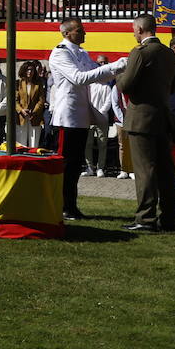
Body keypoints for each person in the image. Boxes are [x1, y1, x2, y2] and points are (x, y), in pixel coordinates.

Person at [47, 18, 125, 222]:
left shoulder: (81, 53)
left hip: (81, 115)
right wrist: (115, 65)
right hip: (68, 116)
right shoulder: (60, 52)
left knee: (74, 165)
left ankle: (70, 205)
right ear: (66, 33)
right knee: (65, 165)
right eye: (79, 30)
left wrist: (118, 69)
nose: (84, 34)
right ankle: (63, 205)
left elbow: (98, 75)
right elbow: (79, 78)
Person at [114, 15, 175, 233]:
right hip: (162, 116)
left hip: (141, 118)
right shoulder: (169, 53)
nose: (133, 33)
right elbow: (173, 86)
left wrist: (118, 74)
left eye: (134, 29)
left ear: (141, 28)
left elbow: (126, 84)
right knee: (166, 171)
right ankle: (170, 218)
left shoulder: (140, 52)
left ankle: (145, 218)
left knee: (145, 171)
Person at [84, 56, 115, 176]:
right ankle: (89, 166)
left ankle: (100, 167)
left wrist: (100, 113)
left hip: (102, 118)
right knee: (88, 143)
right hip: (90, 118)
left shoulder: (107, 87)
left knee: (102, 143)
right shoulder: (90, 86)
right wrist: (92, 113)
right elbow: (87, 100)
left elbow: (108, 102)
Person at [14, 60, 46, 149]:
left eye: (32, 70)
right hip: (21, 117)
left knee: (34, 144)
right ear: (23, 70)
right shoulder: (18, 83)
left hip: (35, 116)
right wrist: (21, 110)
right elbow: (14, 100)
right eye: (28, 70)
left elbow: (41, 100)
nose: (30, 72)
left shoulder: (38, 84)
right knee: (21, 144)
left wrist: (34, 111)